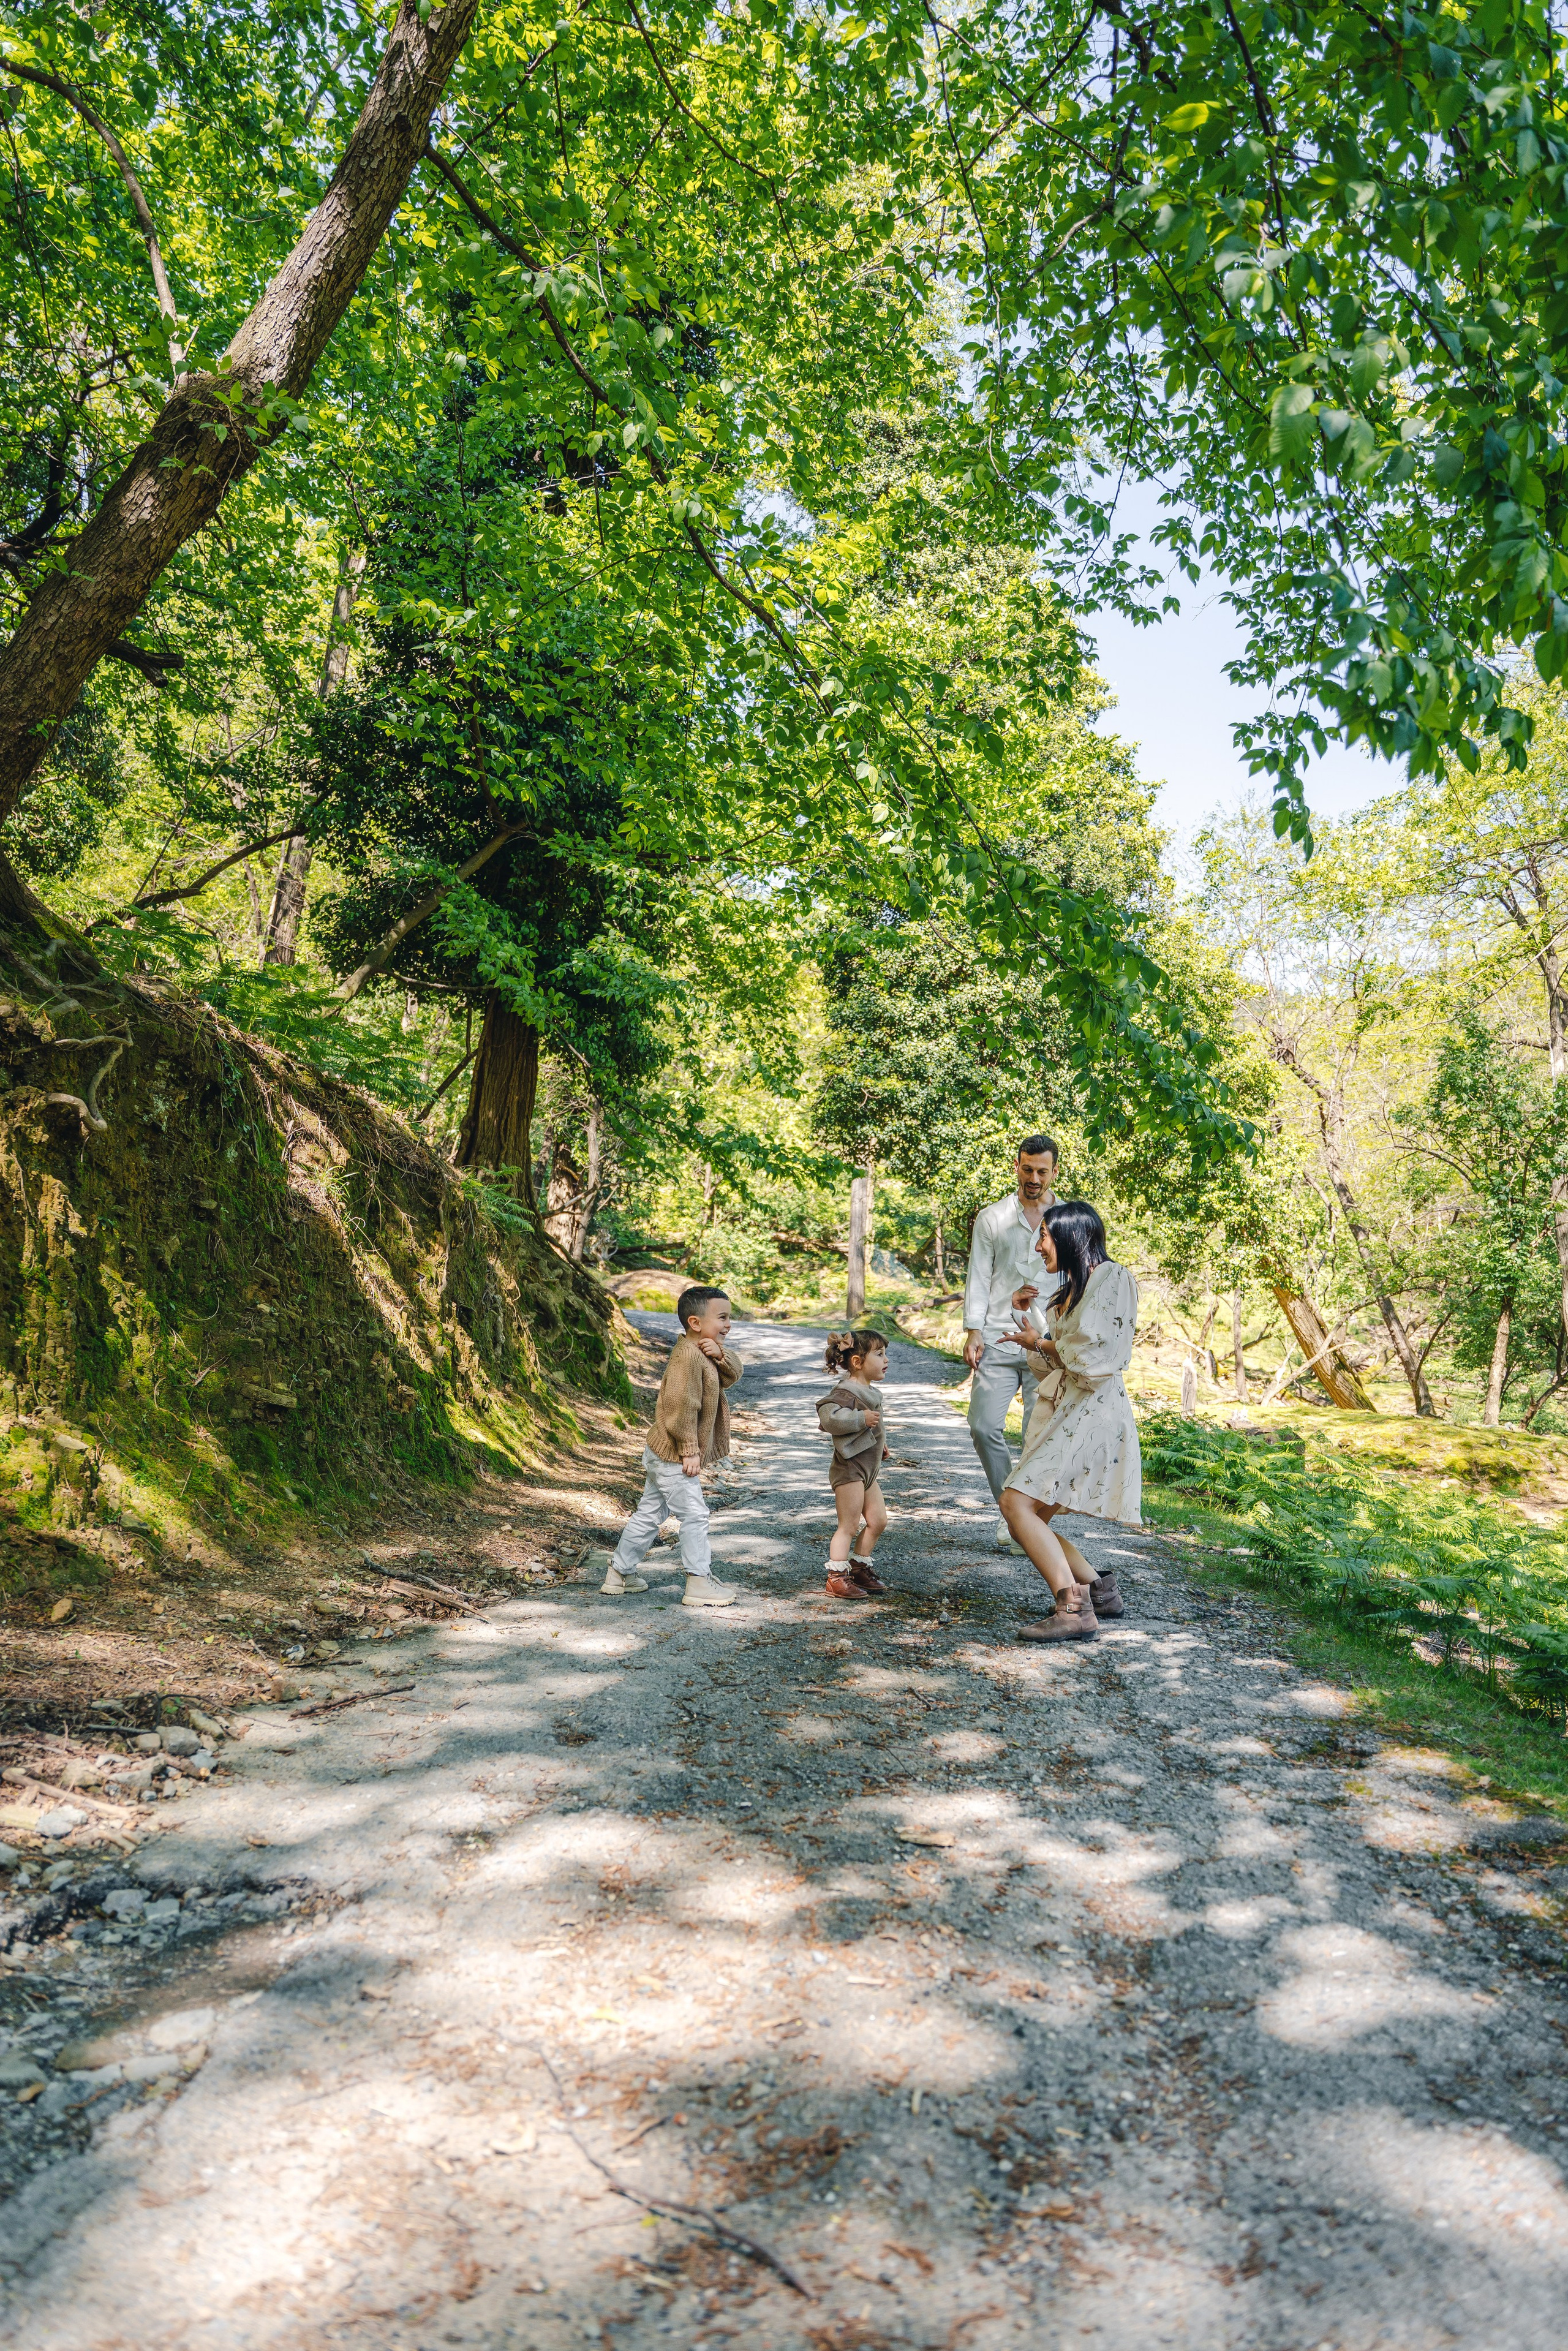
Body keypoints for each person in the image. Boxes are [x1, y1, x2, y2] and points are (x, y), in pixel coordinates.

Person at [997, 1200, 1140, 1643]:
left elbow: (1091, 1357)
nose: (1039, 1246)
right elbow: (1058, 1361)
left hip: (1095, 1415)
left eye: (1044, 1236)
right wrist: (1034, 1333)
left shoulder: (1112, 1278)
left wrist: (1043, 1341)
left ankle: (1073, 1608)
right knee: (1029, 1518)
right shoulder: (1072, 1294)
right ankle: (1100, 1591)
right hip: (1077, 1411)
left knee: (1016, 1507)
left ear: (1070, 1235)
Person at [603, 1286, 745, 1609]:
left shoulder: (705, 1352)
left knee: (650, 1513)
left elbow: (733, 1375)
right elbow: (682, 1406)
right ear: (695, 1323)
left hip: (662, 1452)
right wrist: (690, 1449)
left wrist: (721, 1355)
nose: (728, 1325)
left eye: (729, 1318)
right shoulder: (688, 1358)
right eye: (722, 1318)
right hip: (673, 1453)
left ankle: (619, 1574)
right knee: (695, 1514)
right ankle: (698, 1581)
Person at [962, 1135, 1061, 1545]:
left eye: (1042, 1170)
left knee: (1037, 1439)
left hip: (1049, 1343)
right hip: (999, 1338)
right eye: (1028, 1169)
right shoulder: (992, 1218)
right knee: (983, 1427)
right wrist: (972, 1330)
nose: (1034, 1177)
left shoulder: (1069, 1218)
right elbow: (979, 1276)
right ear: (1016, 1167)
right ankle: (1012, 1508)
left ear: (1055, 1172)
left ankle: (1025, 1522)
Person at [816, 1328, 892, 1601]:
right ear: (858, 1362)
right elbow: (829, 1418)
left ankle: (859, 1567)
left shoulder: (869, 1391)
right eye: (880, 1354)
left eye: (886, 1354)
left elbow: (875, 1426)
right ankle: (836, 1579)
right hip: (850, 1471)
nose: (886, 1360)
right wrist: (861, 1420)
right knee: (848, 1525)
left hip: (868, 1471)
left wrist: (879, 1443)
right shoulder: (846, 1391)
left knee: (878, 1520)